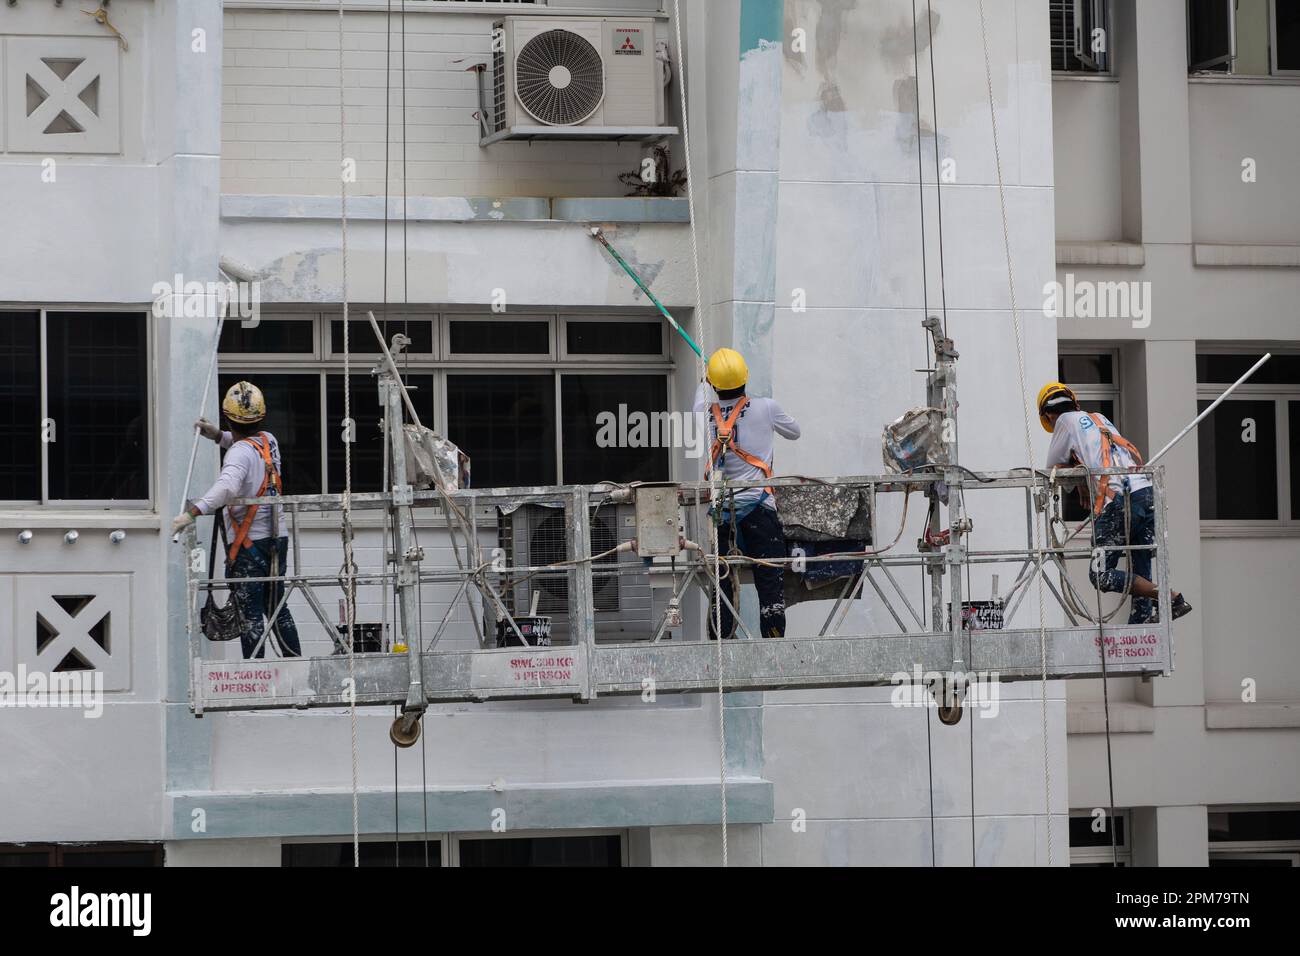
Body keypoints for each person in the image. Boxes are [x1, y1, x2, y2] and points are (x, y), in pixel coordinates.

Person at [1037, 381, 1192, 624]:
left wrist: (1077, 479)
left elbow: (1054, 471)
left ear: (1048, 415)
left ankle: (1170, 596)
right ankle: (1141, 628)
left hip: (1120, 499)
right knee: (1141, 571)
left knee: (1101, 575)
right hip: (1147, 493)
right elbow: (1096, 457)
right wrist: (1083, 476)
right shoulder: (1099, 418)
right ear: (1075, 403)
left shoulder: (1064, 422)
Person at [172, 381, 302, 658]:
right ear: (261, 417)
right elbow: (245, 447)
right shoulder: (269, 441)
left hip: (249, 547)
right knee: (277, 606)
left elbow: (227, 487)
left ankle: (257, 683)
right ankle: (295, 668)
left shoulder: (238, 454)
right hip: (277, 541)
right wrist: (217, 436)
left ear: (228, 416)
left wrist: (192, 514)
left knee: (251, 615)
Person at [695, 348, 801, 639]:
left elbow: (702, 393)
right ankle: (773, 642)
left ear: (714, 384)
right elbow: (795, 432)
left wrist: (706, 380)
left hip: (723, 514)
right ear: (745, 378)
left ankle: (722, 641)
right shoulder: (766, 407)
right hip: (758, 509)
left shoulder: (704, 415)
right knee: (769, 578)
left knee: (723, 581)